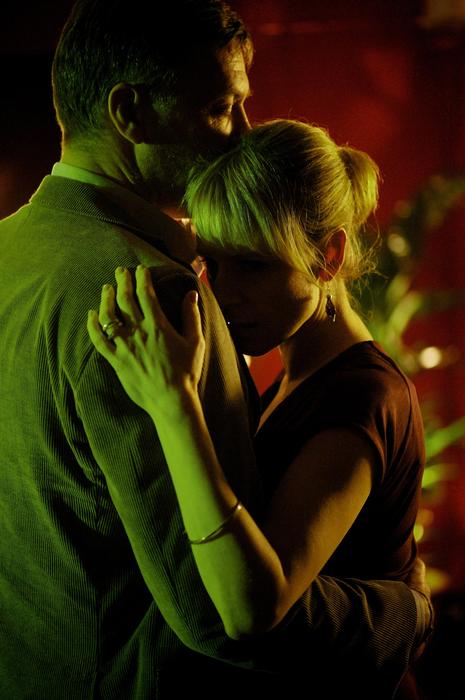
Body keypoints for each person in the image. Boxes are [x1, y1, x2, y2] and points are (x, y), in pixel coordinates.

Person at [0, 0, 430, 696]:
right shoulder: (151, 293)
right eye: (221, 108)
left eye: (250, 264)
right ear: (129, 112)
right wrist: (398, 613)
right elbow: (220, 613)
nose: (241, 134)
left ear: (327, 258)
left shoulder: (8, 251)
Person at [88, 119, 432, 698]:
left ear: (327, 256)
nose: (223, 293)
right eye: (212, 264)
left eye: (253, 265)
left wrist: (173, 403)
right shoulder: (299, 377)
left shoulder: (361, 396)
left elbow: (253, 609)